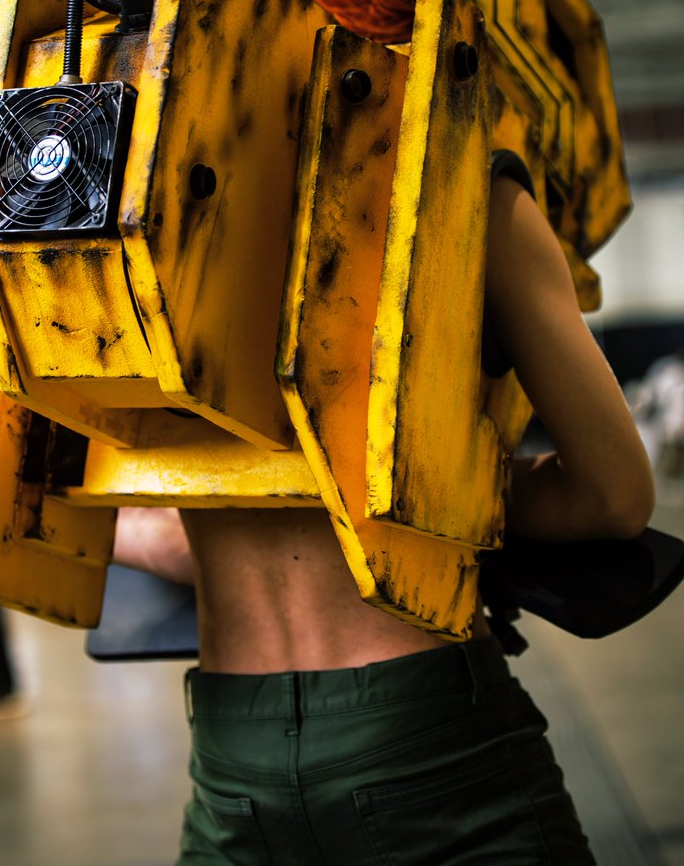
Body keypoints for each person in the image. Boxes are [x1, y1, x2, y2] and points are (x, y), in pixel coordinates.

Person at [114, 165, 655, 865]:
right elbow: (612, 497)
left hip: (232, 754)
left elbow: (134, 522)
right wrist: (428, 494)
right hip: (429, 737)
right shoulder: (465, 183)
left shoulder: (113, 215)